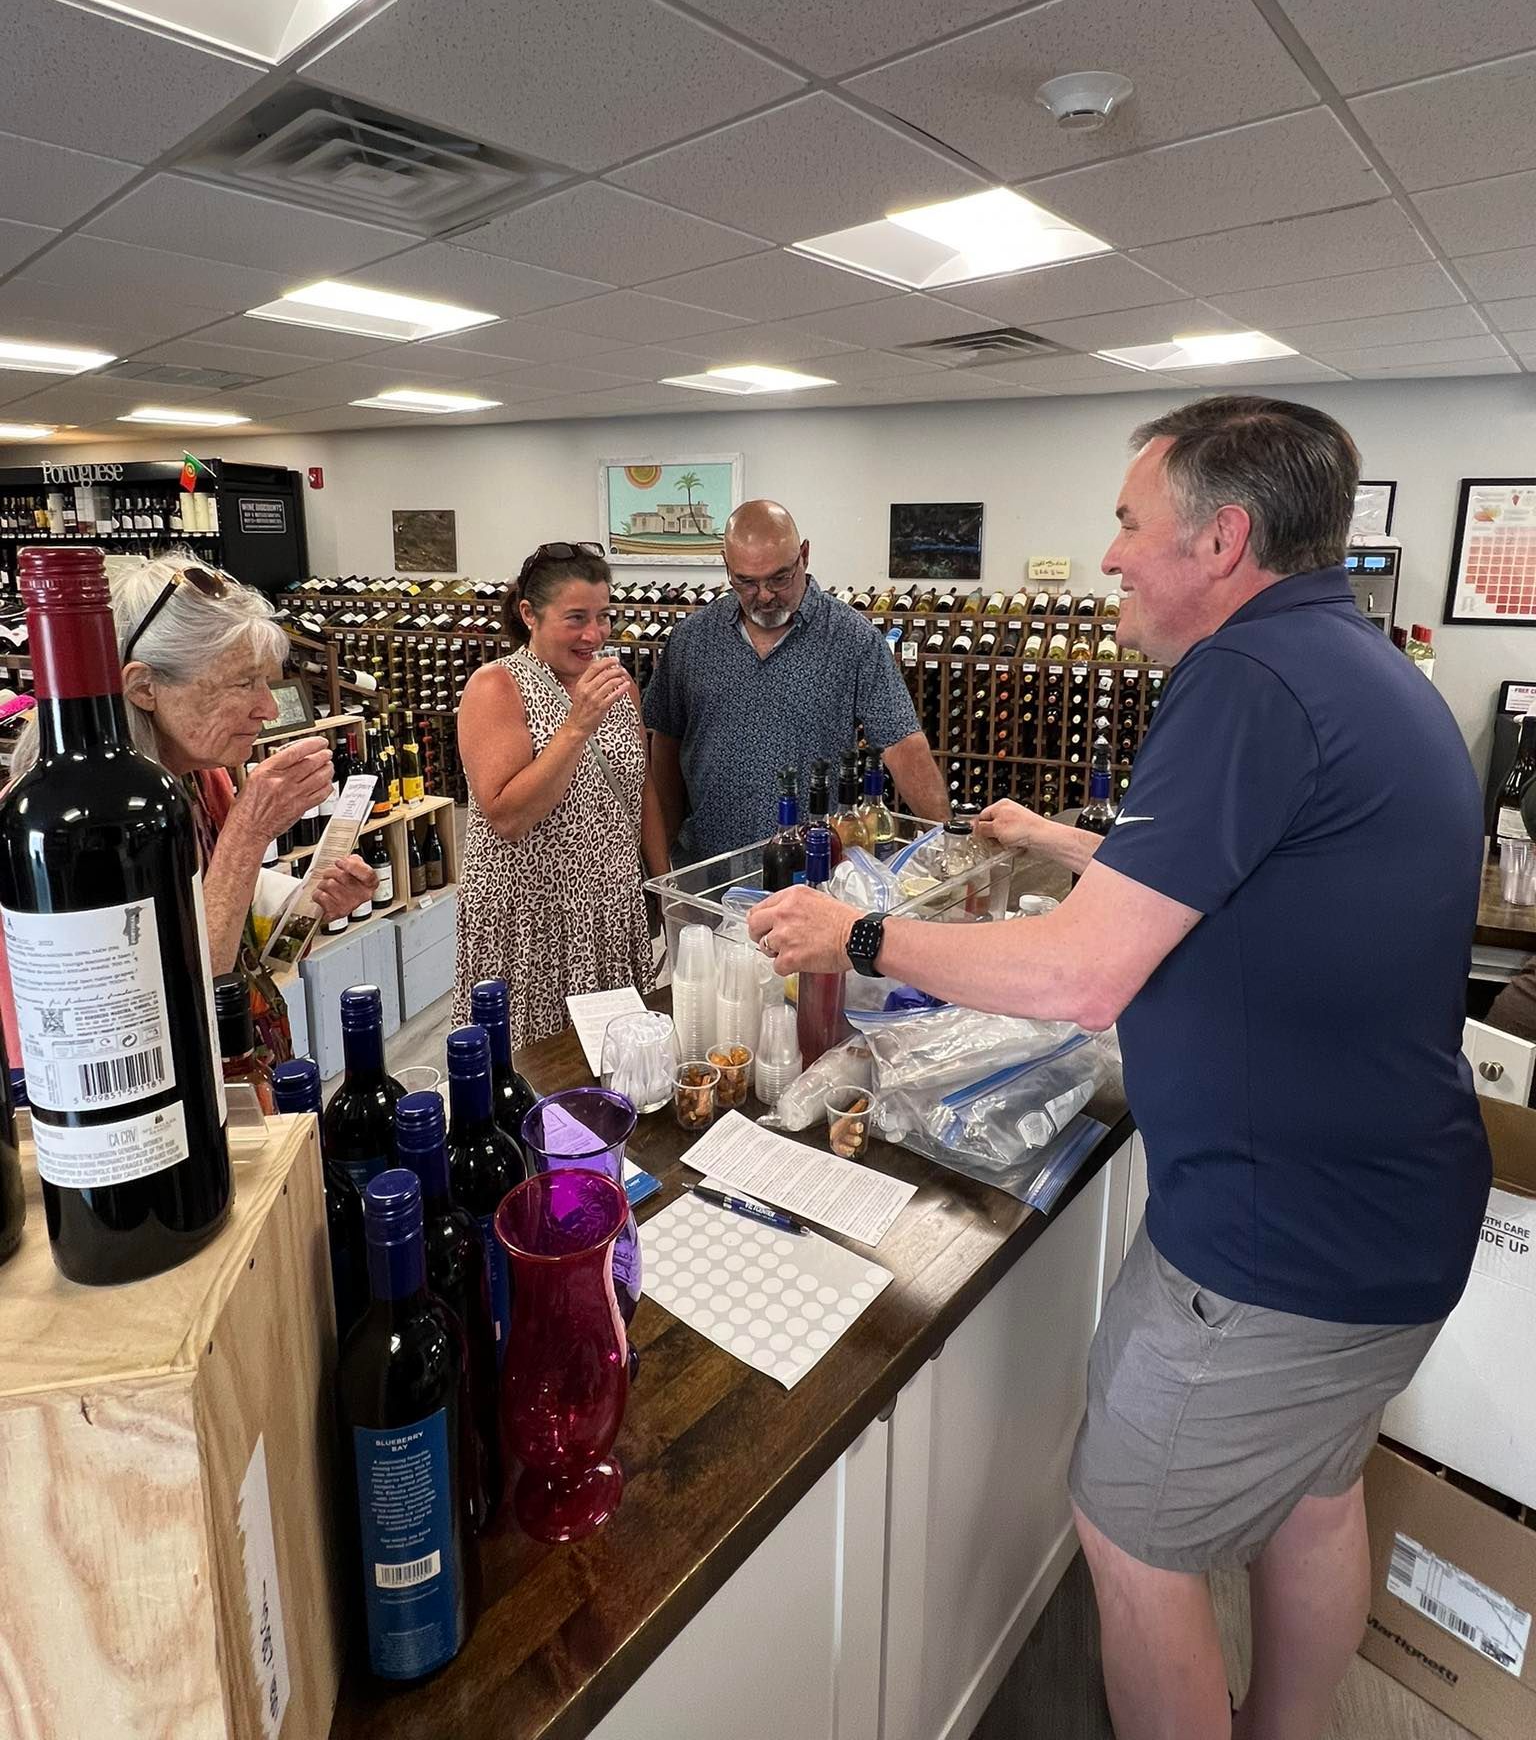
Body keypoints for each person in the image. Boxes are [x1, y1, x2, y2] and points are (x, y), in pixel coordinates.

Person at [748, 396, 1491, 1740]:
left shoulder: (1242, 681)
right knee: (1316, 1496)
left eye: (1129, 524)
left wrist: (850, 929)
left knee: (1135, 1547)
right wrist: (1066, 839)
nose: (1108, 557)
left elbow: (1081, 976)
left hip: (1281, 1251)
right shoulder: (1354, 665)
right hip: (1392, 1213)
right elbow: (1246, 882)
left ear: (1224, 539)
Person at [8, 552, 375, 1069]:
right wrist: (248, 833)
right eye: (243, 683)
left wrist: (309, 900)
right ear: (143, 688)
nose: (269, 708)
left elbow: (225, 913)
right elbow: (160, 1007)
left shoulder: (201, 776)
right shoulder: (68, 829)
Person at [452, 541, 668, 1051]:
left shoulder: (618, 687)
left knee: (617, 1066)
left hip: (610, 911)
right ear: (529, 613)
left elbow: (640, 788)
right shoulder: (496, 687)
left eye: (603, 617)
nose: (594, 635)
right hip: (533, 919)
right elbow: (506, 815)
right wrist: (576, 728)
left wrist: (661, 884)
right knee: (539, 1077)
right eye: (576, 618)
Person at [645, 499, 947, 861]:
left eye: (779, 577)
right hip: (706, 867)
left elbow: (902, 744)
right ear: (727, 567)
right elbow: (665, 746)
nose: (766, 595)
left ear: (804, 555)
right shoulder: (692, 639)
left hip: (813, 870)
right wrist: (661, 863)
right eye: (746, 582)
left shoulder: (853, 639)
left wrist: (946, 837)